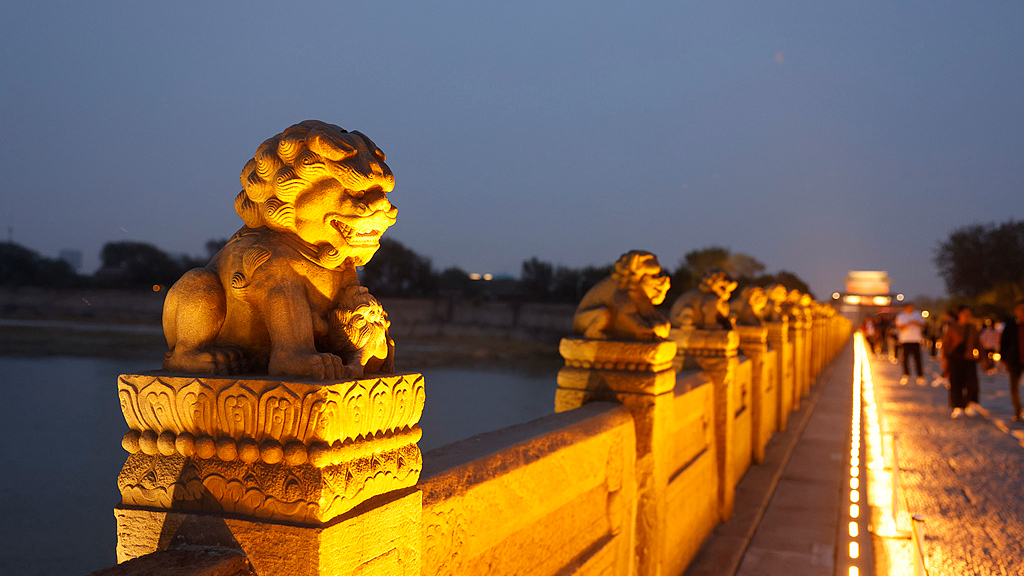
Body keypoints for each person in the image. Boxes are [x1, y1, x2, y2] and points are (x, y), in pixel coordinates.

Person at [943, 305, 981, 418]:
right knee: (956, 383)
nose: (967, 316)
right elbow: (946, 345)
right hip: (955, 360)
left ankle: (969, 404)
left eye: (969, 314)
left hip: (969, 359)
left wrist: (983, 359)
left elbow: (978, 344)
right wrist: (944, 359)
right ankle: (957, 406)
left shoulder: (973, 328)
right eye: (965, 314)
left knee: (972, 383)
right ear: (959, 314)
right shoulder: (952, 327)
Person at [999, 299, 1024, 421]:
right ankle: (1017, 410)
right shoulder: (1011, 326)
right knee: (1014, 387)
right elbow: (1004, 343)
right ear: (1016, 311)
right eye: (1021, 310)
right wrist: (1003, 358)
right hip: (1015, 361)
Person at [895, 303, 926, 385]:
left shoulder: (918, 314)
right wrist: (909, 323)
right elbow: (900, 328)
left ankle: (920, 376)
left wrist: (916, 323)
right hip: (905, 340)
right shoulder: (901, 316)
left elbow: (923, 325)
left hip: (916, 340)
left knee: (918, 359)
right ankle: (906, 374)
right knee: (905, 359)